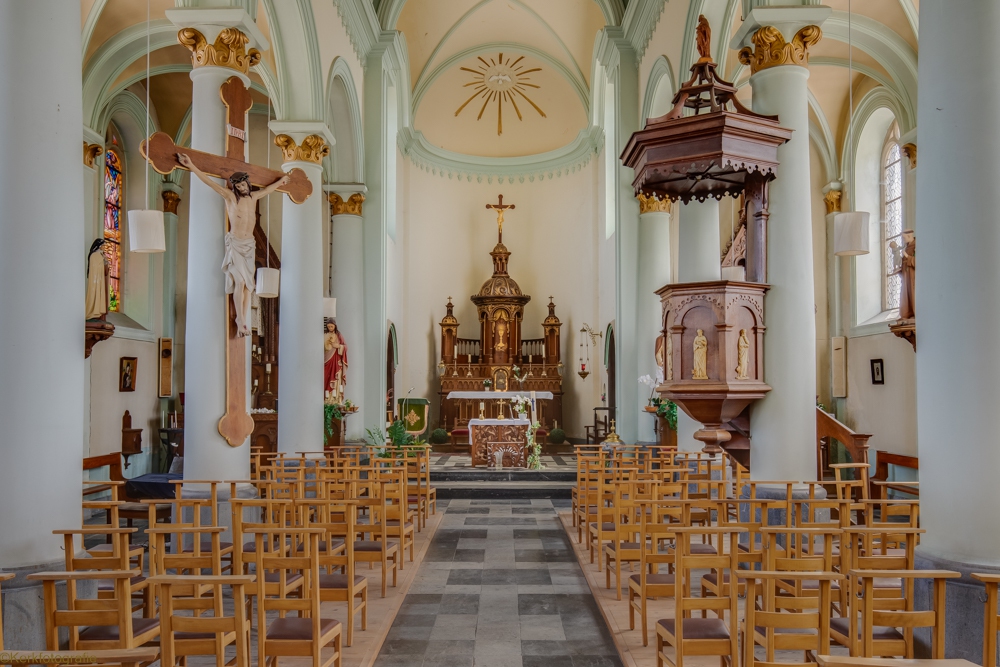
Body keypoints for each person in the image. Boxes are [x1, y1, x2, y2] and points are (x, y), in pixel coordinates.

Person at [177, 153, 289, 336]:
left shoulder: (254, 197)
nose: (241, 188)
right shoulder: (230, 197)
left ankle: (242, 319)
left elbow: (268, 190)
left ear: (248, 184)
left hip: (249, 245)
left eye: (243, 185)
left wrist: (281, 182)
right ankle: (240, 319)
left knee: (248, 286)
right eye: (238, 186)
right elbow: (209, 182)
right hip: (236, 244)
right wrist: (191, 165)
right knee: (240, 281)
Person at [324, 318, 347, 403]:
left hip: (336, 361)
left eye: (332, 326)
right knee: (327, 379)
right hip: (326, 361)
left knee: (336, 378)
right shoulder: (324, 335)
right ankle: (327, 400)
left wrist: (339, 346)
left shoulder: (338, 335)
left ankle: (336, 399)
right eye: (329, 326)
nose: (330, 328)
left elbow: (345, 346)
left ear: (335, 326)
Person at [85, 239, 109, 320]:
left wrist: (106, 262)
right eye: (103, 245)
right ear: (99, 246)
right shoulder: (94, 256)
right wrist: (104, 262)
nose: (104, 247)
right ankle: (92, 312)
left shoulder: (102, 255)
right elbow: (94, 269)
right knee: (95, 294)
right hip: (96, 281)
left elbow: (105, 270)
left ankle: (99, 314)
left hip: (102, 280)